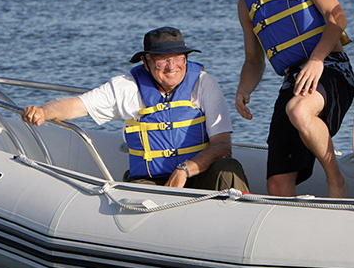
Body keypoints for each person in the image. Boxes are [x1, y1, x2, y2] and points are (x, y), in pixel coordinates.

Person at [21, 27, 249, 192]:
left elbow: (222, 146)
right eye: (162, 60)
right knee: (141, 197)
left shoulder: (204, 82)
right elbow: (77, 106)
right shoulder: (125, 87)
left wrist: (185, 170)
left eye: (178, 58)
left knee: (228, 166)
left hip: (197, 174)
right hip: (150, 182)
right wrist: (44, 112)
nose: (172, 67)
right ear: (146, 61)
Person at [231, 0, 354, 198]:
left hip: (331, 69)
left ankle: (336, 180)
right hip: (293, 79)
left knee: (298, 110)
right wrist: (243, 88)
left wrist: (317, 60)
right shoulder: (245, 4)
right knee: (276, 184)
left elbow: (337, 16)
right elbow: (254, 59)